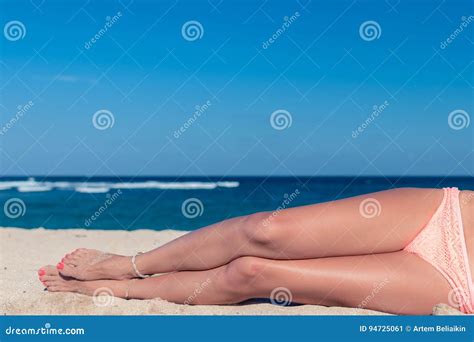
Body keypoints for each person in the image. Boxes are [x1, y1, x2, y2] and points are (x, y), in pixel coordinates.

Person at [37, 187, 474, 315]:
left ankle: (119, 290)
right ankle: (133, 265)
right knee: (266, 229)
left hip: (458, 285)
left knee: (250, 274)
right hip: (449, 214)